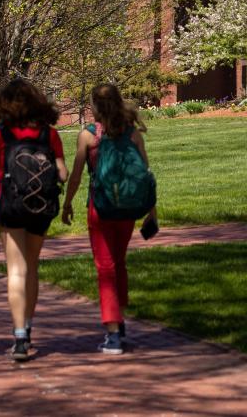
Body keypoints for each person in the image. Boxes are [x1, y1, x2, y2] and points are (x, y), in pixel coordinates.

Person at [0, 78, 69, 362]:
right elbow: (62, 173)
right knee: (32, 267)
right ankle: (28, 325)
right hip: (40, 206)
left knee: (16, 270)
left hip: (9, 206)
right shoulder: (48, 135)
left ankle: (19, 336)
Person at [62, 83, 159, 355]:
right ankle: (121, 318)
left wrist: (67, 204)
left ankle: (113, 333)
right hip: (128, 209)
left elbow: (78, 175)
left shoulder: (89, 136)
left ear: (94, 106)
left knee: (105, 268)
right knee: (119, 262)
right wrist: (151, 210)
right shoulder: (132, 134)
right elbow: (145, 176)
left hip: (100, 208)